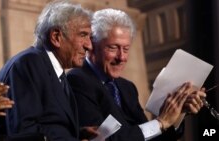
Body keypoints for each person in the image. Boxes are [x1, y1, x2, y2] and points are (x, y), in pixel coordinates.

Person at [67, 8, 206, 141]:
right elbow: (103, 139)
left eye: (126, 49)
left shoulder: (127, 87)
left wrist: (177, 112)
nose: (121, 57)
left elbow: (149, 137)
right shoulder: (77, 81)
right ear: (91, 45)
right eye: (113, 48)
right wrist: (160, 122)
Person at [0, 1, 97, 141]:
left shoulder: (54, 71)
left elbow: (49, 123)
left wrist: (78, 133)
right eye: (83, 35)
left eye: (90, 37)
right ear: (56, 37)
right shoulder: (27, 64)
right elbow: (25, 132)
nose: (89, 45)